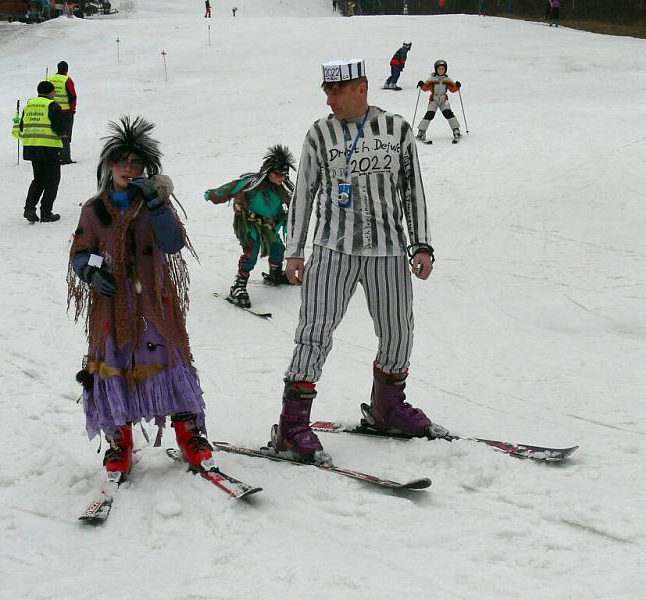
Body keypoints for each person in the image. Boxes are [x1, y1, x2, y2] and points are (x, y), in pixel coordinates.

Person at [270, 58, 436, 463]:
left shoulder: (396, 130)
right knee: (314, 332)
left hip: (389, 250)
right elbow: (304, 194)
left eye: (337, 91)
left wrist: (422, 244)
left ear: (361, 87)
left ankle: (387, 409)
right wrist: (294, 250)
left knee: (398, 332)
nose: (330, 99)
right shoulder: (319, 133)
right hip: (332, 250)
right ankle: (292, 425)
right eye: (326, 91)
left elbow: (412, 190)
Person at [67, 116, 212, 480]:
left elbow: (173, 243)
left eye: (136, 164)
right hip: (112, 305)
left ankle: (188, 432)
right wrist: (91, 272)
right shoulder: (94, 208)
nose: (129, 170)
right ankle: (120, 440)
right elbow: (81, 250)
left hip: (153, 302)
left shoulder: (154, 204)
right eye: (122, 162)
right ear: (109, 165)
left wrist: (158, 205)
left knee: (170, 357)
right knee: (114, 363)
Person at [205, 146, 296, 308]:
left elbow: (294, 205)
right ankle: (238, 287)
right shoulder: (250, 184)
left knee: (278, 249)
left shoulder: (283, 190)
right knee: (251, 253)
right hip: (249, 225)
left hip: (269, 226)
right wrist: (213, 194)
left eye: (284, 175)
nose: (281, 178)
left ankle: (275, 274)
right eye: (278, 174)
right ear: (268, 172)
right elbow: (230, 188)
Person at [14, 80, 66, 223]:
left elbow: (23, 126)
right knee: (53, 180)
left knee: (39, 179)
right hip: (49, 148)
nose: (55, 94)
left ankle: (29, 209)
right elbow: (59, 128)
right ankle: (46, 212)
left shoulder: (28, 106)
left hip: (32, 148)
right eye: (54, 91)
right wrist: (63, 134)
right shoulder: (52, 106)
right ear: (50, 92)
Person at [415, 59, 462, 143]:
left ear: (445, 70)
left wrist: (457, 86)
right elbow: (426, 88)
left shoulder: (447, 79)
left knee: (448, 113)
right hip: (434, 100)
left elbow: (452, 89)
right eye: (439, 69)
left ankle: (456, 130)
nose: (441, 71)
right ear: (436, 69)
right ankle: (421, 132)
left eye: (443, 69)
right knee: (430, 114)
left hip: (444, 100)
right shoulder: (432, 79)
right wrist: (422, 85)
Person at [47, 61, 78, 165]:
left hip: (52, 110)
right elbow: (73, 96)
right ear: (66, 69)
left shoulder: (50, 79)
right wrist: (72, 110)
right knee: (65, 135)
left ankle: (54, 156)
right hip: (65, 112)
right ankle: (65, 158)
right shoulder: (67, 80)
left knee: (54, 133)